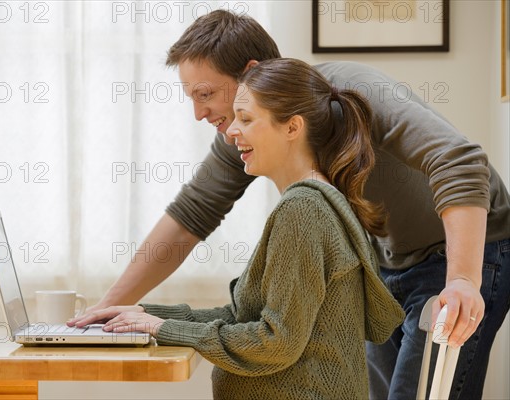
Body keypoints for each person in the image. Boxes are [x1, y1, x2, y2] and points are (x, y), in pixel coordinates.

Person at [69, 10, 510, 399]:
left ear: (251, 73)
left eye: (205, 94)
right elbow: (189, 217)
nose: (199, 114)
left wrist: (464, 281)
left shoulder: (353, 93)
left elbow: (459, 161)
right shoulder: (241, 141)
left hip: (464, 251)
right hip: (384, 263)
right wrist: (103, 314)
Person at [73, 58, 405, 399]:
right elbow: (240, 316)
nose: (232, 131)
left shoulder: (304, 210)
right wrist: (145, 314)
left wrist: (165, 328)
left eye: (246, 119)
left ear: (292, 128)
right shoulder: (315, 202)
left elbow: (277, 341)